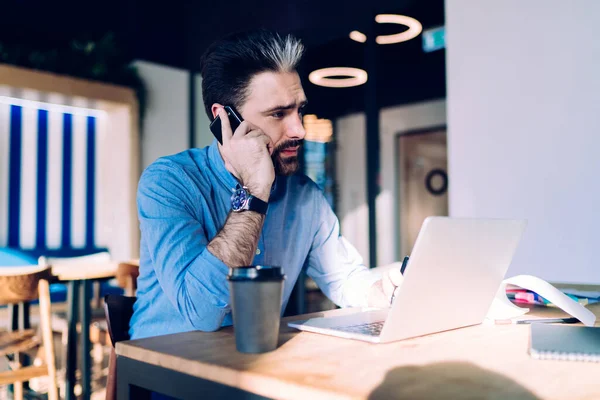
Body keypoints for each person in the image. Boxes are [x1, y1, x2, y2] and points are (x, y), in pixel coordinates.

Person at [129, 30, 403, 339]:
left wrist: (385, 289)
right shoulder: (168, 182)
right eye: (278, 114)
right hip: (161, 370)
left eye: (299, 109)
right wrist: (254, 189)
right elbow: (203, 311)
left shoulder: (304, 196)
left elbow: (344, 279)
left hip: (256, 363)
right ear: (224, 120)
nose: (299, 129)